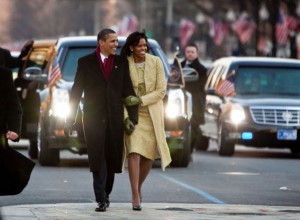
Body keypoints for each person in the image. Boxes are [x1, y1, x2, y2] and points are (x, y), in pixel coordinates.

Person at [65, 29, 138, 212]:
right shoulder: (85, 62)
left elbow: (128, 91)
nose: (116, 45)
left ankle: (106, 193)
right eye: (112, 41)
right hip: (92, 119)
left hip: (115, 118)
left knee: (112, 158)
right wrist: (70, 119)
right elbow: (76, 92)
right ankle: (101, 198)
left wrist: (133, 117)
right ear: (101, 42)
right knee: (98, 158)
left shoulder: (121, 63)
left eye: (117, 41)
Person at [121, 31, 172, 211]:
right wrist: (126, 117)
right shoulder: (124, 64)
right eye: (139, 46)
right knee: (134, 151)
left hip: (151, 114)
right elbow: (122, 95)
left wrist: (141, 100)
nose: (143, 49)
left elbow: (161, 91)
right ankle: (135, 193)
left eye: (145, 45)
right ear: (132, 47)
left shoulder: (156, 62)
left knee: (149, 156)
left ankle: (139, 185)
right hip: (133, 114)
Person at [181, 42, 207, 154]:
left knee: (194, 127)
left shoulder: (201, 69)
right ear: (185, 53)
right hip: (179, 102)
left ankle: (189, 151)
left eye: (192, 52)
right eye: (188, 52)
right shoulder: (178, 66)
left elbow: (199, 85)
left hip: (195, 103)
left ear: (197, 53)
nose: (190, 54)